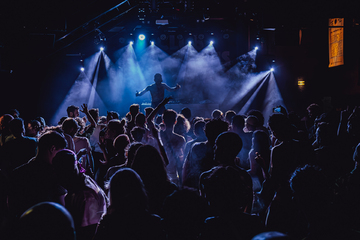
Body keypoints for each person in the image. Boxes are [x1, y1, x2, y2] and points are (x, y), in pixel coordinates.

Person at [52, 149, 107, 240]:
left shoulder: (87, 196)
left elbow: (88, 233)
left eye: (63, 172)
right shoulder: (80, 181)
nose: (57, 177)